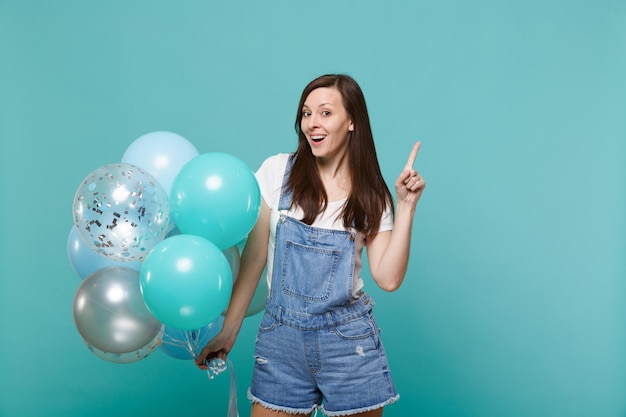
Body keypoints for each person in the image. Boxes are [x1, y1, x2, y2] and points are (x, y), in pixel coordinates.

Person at [196, 74, 426, 417]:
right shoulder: (278, 172)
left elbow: (388, 279)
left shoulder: (371, 195)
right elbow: (255, 258)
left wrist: (406, 205)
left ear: (352, 122)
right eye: (306, 113)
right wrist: (229, 332)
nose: (312, 124)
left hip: (349, 346)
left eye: (325, 113)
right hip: (281, 342)